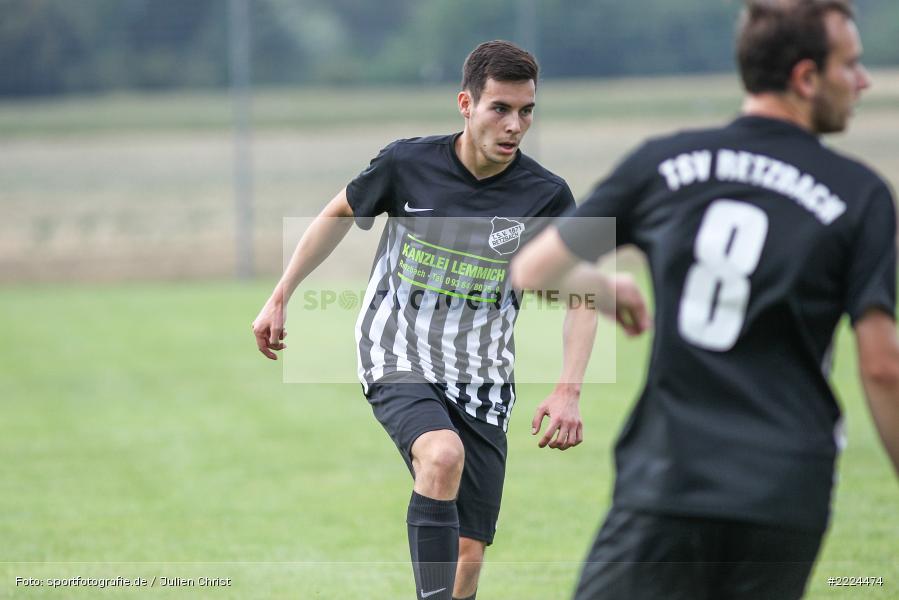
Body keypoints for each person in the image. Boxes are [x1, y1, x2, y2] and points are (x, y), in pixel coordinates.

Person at [511, 1, 899, 598]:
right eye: (851, 64)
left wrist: (605, 289)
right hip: (786, 490)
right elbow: (882, 366)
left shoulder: (662, 163)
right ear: (805, 77)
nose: (864, 81)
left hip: (669, 480)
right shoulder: (860, 194)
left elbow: (533, 270)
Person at [252, 40, 644, 600]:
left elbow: (580, 292)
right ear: (466, 103)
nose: (515, 125)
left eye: (526, 111)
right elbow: (340, 210)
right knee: (441, 454)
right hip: (397, 353)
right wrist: (281, 293)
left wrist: (568, 389)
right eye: (500, 109)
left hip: (483, 377)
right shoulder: (406, 163)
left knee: (467, 555)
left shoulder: (545, 195)